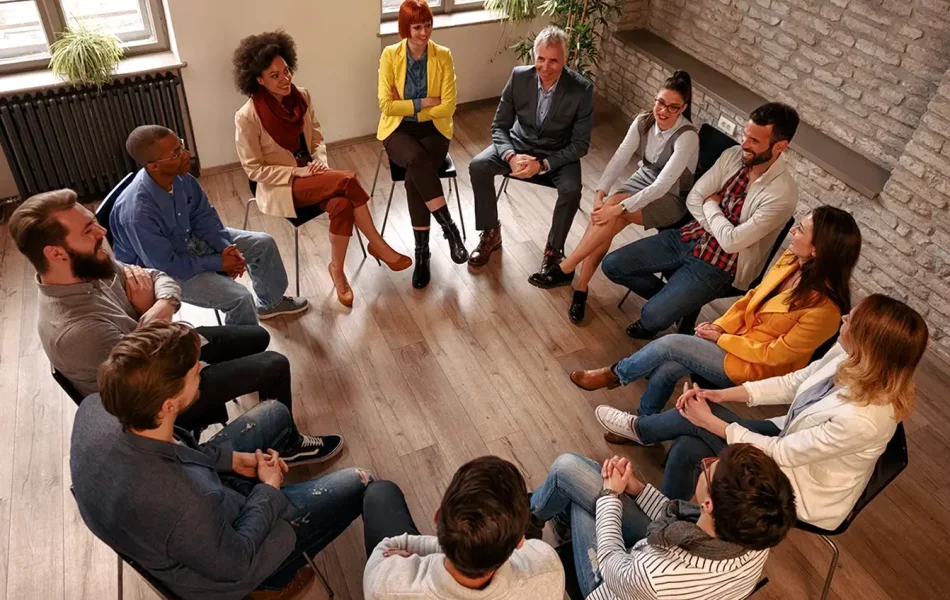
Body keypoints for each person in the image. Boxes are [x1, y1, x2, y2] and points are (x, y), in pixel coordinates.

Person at [9, 189, 339, 463]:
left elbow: (157, 276)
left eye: (94, 222)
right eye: (87, 230)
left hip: (159, 349)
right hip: (157, 397)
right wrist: (149, 314)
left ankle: (258, 416)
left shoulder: (87, 263)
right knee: (274, 364)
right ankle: (285, 444)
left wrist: (161, 305)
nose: (102, 233)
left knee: (256, 336)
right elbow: (156, 368)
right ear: (56, 253)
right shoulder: (77, 330)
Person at [70, 321, 374, 600]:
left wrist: (231, 460)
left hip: (183, 513)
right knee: (362, 480)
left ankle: (283, 460)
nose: (202, 367)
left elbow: (173, 448)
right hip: (226, 561)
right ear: (168, 406)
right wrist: (268, 489)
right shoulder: (185, 500)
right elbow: (236, 562)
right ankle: (273, 582)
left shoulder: (96, 407)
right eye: (195, 372)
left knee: (275, 412)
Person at [593, 294, 928, 529]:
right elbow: (794, 383)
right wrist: (720, 394)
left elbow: (781, 453)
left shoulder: (865, 420)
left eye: (850, 320)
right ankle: (666, 519)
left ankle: (642, 431)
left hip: (801, 487)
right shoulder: (849, 354)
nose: (843, 319)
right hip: (791, 438)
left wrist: (709, 419)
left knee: (698, 425)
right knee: (690, 443)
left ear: (869, 343)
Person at [571, 206, 861, 416]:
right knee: (669, 366)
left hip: (755, 368)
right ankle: (644, 423)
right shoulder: (792, 260)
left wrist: (721, 338)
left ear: (818, 250)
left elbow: (774, 356)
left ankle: (615, 374)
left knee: (670, 345)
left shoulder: (825, 310)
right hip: (735, 339)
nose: (793, 233)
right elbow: (751, 298)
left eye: (800, 230)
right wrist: (721, 326)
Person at [234, 30, 411, 307]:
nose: (285, 79)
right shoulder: (247, 117)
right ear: (258, 80)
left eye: (286, 70)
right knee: (349, 180)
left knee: (342, 205)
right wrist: (297, 172)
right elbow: (254, 169)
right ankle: (378, 245)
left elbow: (316, 138)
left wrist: (318, 163)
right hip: (284, 185)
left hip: (314, 174)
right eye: (274, 75)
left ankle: (337, 272)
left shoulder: (302, 97)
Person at [603, 102, 800, 340]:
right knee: (612, 265)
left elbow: (731, 243)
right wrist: (718, 225)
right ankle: (676, 304)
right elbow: (695, 197)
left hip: (721, 264)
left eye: (754, 141)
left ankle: (664, 310)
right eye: (745, 135)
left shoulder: (783, 194)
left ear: (780, 147)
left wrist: (711, 205)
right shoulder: (733, 156)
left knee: (650, 317)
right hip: (690, 235)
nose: (744, 144)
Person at [529, 71, 699, 324]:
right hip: (644, 179)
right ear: (655, 99)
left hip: (671, 197)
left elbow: (662, 185)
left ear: (683, 108)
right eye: (660, 102)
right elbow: (620, 157)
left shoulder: (687, 136)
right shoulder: (643, 121)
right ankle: (580, 287)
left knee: (613, 214)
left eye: (673, 107)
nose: (663, 111)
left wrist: (619, 208)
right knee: (606, 212)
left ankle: (567, 269)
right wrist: (601, 193)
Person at [529, 447, 796, 600]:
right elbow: (681, 520)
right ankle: (548, 519)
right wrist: (637, 490)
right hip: (647, 569)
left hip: (614, 584)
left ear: (709, 504)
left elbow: (611, 563)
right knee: (584, 477)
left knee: (571, 476)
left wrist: (610, 495)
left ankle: (533, 518)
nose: (705, 464)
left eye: (707, 468)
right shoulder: (757, 532)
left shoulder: (657, 574)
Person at [109, 125, 308, 324]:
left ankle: (271, 304)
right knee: (240, 298)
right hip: (162, 272)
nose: (187, 154)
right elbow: (166, 265)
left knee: (263, 243)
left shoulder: (182, 178)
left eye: (181, 145)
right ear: (154, 166)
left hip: (188, 240)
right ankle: (244, 341)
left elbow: (204, 217)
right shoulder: (137, 213)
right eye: (177, 153)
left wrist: (227, 250)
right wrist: (219, 262)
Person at [467, 26, 594, 273]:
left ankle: (553, 249)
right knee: (478, 166)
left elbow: (580, 144)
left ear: (566, 59)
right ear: (534, 56)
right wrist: (511, 157)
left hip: (558, 153)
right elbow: (499, 126)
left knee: (572, 190)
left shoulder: (582, 89)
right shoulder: (518, 77)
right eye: (541, 59)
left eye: (554, 60)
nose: (546, 67)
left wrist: (543, 165)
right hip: (519, 145)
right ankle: (491, 232)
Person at [362, 456, 565, 599]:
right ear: (520, 541)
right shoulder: (548, 571)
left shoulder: (384, 585)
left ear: (438, 516)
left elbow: (388, 547)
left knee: (380, 492)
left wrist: (422, 553)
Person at [378, 0, 467, 289]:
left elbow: (449, 107)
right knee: (417, 162)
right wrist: (426, 102)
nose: (424, 32)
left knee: (415, 175)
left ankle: (422, 254)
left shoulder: (443, 56)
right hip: (398, 131)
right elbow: (385, 106)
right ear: (406, 28)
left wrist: (410, 108)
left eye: (427, 25)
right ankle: (449, 229)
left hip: (434, 131)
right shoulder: (390, 55)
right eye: (417, 27)